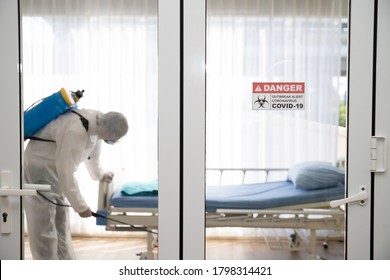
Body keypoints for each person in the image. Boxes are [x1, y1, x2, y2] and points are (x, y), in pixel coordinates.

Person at [24, 108, 129, 260]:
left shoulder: (97, 125)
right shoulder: (76, 131)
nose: (111, 141)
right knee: (43, 226)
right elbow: (66, 171)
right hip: (39, 168)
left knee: (61, 221)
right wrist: (81, 206)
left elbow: (93, 156)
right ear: (109, 133)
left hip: (55, 169)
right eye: (114, 138)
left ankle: (66, 264)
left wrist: (99, 175)